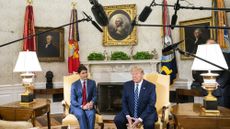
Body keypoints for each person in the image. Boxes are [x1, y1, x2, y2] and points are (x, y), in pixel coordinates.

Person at [191, 39, 230, 108]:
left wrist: (218, 83)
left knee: (222, 111)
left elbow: (227, 73)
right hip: (206, 88)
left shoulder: (225, 56)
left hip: (221, 88)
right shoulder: (202, 56)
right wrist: (205, 81)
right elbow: (195, 73)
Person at [70, 64, 97, 129]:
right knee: (81, 114)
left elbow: (95, 95)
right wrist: (82, 106)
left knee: (91, 114)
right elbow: (73, 100)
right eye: (83, 73)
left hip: (88, 105)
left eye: (86, 72)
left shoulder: (92, 83)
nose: (85, 74)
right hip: (77, 107)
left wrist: (91, 102)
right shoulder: (74, 85)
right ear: (79, 74)